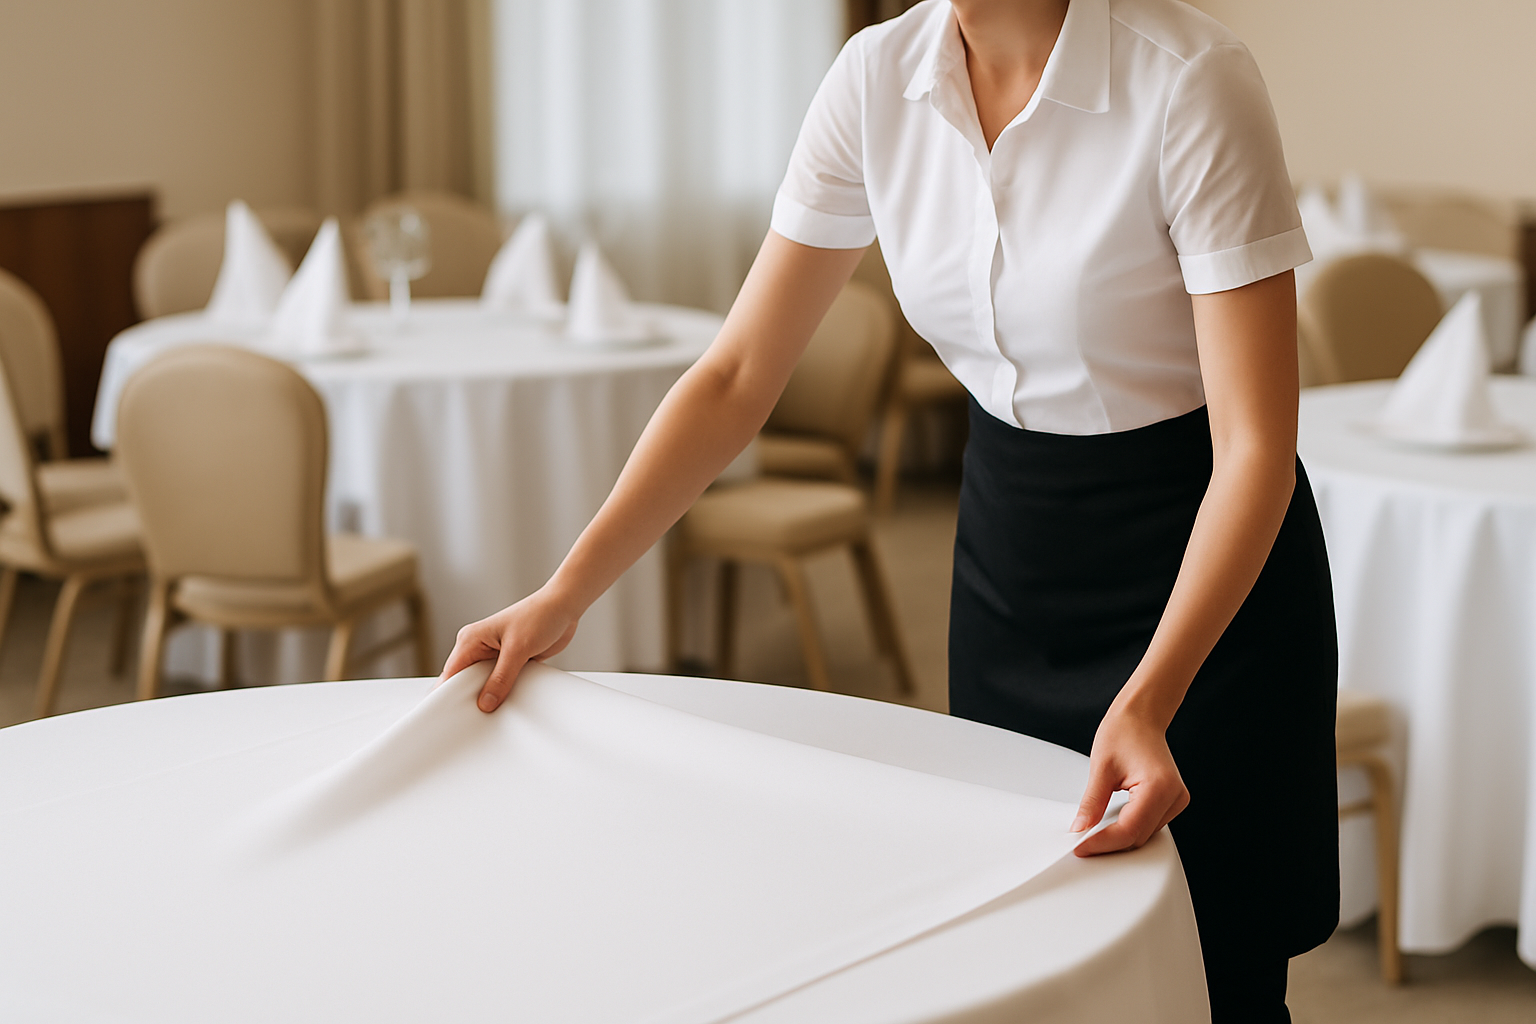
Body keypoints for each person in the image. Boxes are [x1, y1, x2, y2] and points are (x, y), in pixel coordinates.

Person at [443, 1, 1339, 1019]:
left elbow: (1256, 447)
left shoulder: (1190, 80)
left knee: (1216, 964)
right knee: (1039, 949)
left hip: (1206, 576)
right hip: (1015, 560)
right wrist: (568, 589)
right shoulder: (875, 79)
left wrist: (1150, 695)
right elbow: (738, 373)